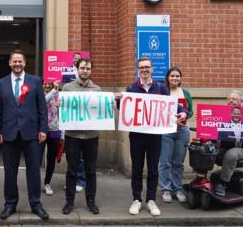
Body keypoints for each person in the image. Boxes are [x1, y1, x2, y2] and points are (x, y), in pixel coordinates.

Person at [118, 57, 187, 217]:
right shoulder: (131, 88)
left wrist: (182, 110)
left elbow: (173, 104)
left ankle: (150, 199)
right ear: (138, 69)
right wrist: (118, 101)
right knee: (136, 168)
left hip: (155, 136)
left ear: (152, 69)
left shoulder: (161, 88)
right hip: (136, 136)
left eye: (147, 67)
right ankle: (136, 199)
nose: (144, 70)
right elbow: (124, 109)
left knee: (153, 169)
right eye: (141, 67)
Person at [0, 50, 49, 220]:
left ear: (25, 63)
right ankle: (10, 204)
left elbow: (42, 108)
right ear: (9, 63)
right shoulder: (1, 83)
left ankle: (35, 204)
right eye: (14, 61)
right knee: (10, 172)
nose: (17, 64)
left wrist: (43, 129)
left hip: (32, 134)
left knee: (33, 171)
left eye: (20, 61)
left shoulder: (35, 81)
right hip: (9, 134)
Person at [60, 58, 101, 215]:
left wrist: (108, 106)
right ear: (77, 69)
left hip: (91, 136)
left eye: (88, 68)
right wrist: (60, 106)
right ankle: (69, 202)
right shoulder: (68, 88)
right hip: (73, 136)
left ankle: (91, 201)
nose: (85, 71)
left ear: (91, 70)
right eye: (83, 68)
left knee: (91, 171)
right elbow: (63, 111)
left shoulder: (97, 89)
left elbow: (100, 111)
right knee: (72, 170)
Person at [159, 67, 193, 203]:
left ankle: (177, 189)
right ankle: (166, 189)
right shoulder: (163, 91)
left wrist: (185, 114)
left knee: (178, 162)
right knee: (165, 162)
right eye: (172, 76)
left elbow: (190, 111)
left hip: (182, 130)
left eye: (177, 76)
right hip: (166, 130)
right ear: (167, 77)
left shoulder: (185, 93)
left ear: (180, 78)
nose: (175, 78)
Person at [215, 105, 243, 197]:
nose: (236, 115)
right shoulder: (224, 125)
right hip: (227, 148)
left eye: (238, 114)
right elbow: (219, 139)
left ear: (241, 115)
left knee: (231, 154)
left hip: (241, 149)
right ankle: (222, 182)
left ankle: (222, 183)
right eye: (234, 113)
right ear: (231, 114)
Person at [42, 81, 62, 196]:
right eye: (44, 84)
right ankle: (34, 183)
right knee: (36, 158)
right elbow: (44, 101)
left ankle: (47, 183)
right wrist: (54, 90)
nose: (47, 86)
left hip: (54, 130)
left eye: (49, 84)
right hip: (41, 130)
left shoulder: (58, 95)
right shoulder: (38, 94)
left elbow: (61, 114)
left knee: (51, 159)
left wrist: (62, 134)